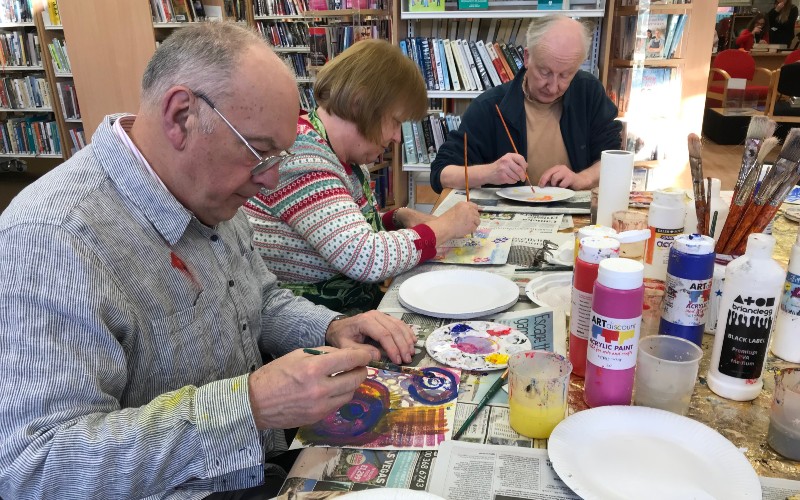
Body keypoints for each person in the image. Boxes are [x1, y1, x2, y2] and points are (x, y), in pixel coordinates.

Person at [0, 23, 417, 500]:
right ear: (181, 116)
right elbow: (35, 468)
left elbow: (260, 298)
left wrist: (330, 328)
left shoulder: (210, 190)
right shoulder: (53, 239)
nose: (272, 178)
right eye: (260, 152)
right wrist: (250, 405)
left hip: (259, 465)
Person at [244, 39, 479, 315]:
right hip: (309, 324)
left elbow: (345, 231)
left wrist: (397, 218)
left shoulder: (342, 156)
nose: (396, 137)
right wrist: (447, 226)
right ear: (359, 104)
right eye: (395, 121)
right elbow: (366, 257)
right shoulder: (304, 158)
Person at [429, 15, 622, 194]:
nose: (553, 87)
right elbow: (440, 173)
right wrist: (489, 172)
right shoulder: (489, 106)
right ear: (527, 57)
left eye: (565, 75)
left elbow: (614, 159)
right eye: (545, 72)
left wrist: (582, 179)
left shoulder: (588, 92)